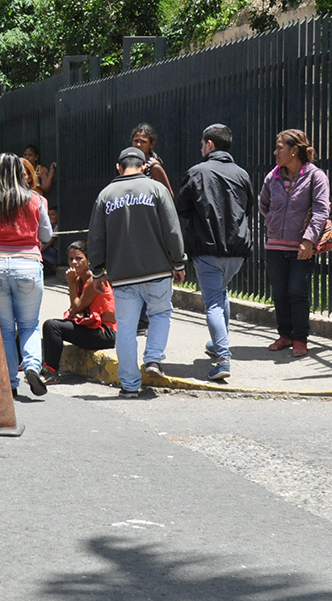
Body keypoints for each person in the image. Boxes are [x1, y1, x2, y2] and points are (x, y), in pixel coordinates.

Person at [88, 146, 187, 398]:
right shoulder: (157, 190)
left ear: (118, 167)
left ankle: (130, 385)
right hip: (158, 270)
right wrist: (178, 263)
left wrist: (97, 271)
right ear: (144, 166)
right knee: (161, 312)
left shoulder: (106, 195)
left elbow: (96, 238)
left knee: (127, 328)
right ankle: (153, 359)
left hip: (122, 275)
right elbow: (172, 230)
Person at [175, 123, 255, 381]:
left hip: (207, 249)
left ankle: (223, 358)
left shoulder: (197, 172)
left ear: (209, 144)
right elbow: (249, 207)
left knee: (212, 303)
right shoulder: (241, 174)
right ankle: (218, 344)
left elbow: (182, 207)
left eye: (202, 144)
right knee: (221, 294)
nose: (201, 148)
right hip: (237, 251)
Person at [0, 152, 52, 395]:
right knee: (29, 325)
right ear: (21, 173)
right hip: (28, 266)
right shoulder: (36, 200)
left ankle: (10, 382)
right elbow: (47, 236)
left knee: (5, 329)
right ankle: (31, 366)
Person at [258, 129, 329, 358]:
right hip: (275, 246)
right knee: (279, 293)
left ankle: (300, 338)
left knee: (297, 292)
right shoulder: (273, 176)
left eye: (280, 147)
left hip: (301, 247)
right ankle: (284, 335)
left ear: (294, 150)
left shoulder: (315, 177)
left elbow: (321, 210)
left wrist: (308, 240)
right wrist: (272, 221)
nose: (275, 152)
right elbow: (263, 204)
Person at [40, 241, 116, 383]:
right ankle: (49, 369)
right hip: (92, 328)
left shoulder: (94, 281)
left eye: (79, 258)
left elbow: (75, 308)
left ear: (88, 260)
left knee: (52, 326)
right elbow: (75, 309)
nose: (74, 262)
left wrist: (71, 284)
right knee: (53, 325)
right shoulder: (81, 279)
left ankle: (51, 371)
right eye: (70, 259)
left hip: (105, 333)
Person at [129, 123, 172, 196]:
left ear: (151, 144)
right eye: (136, 141)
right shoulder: (129, 164)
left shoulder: (153, 167)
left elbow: (168, 194)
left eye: (143, 142)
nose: (138, 145)